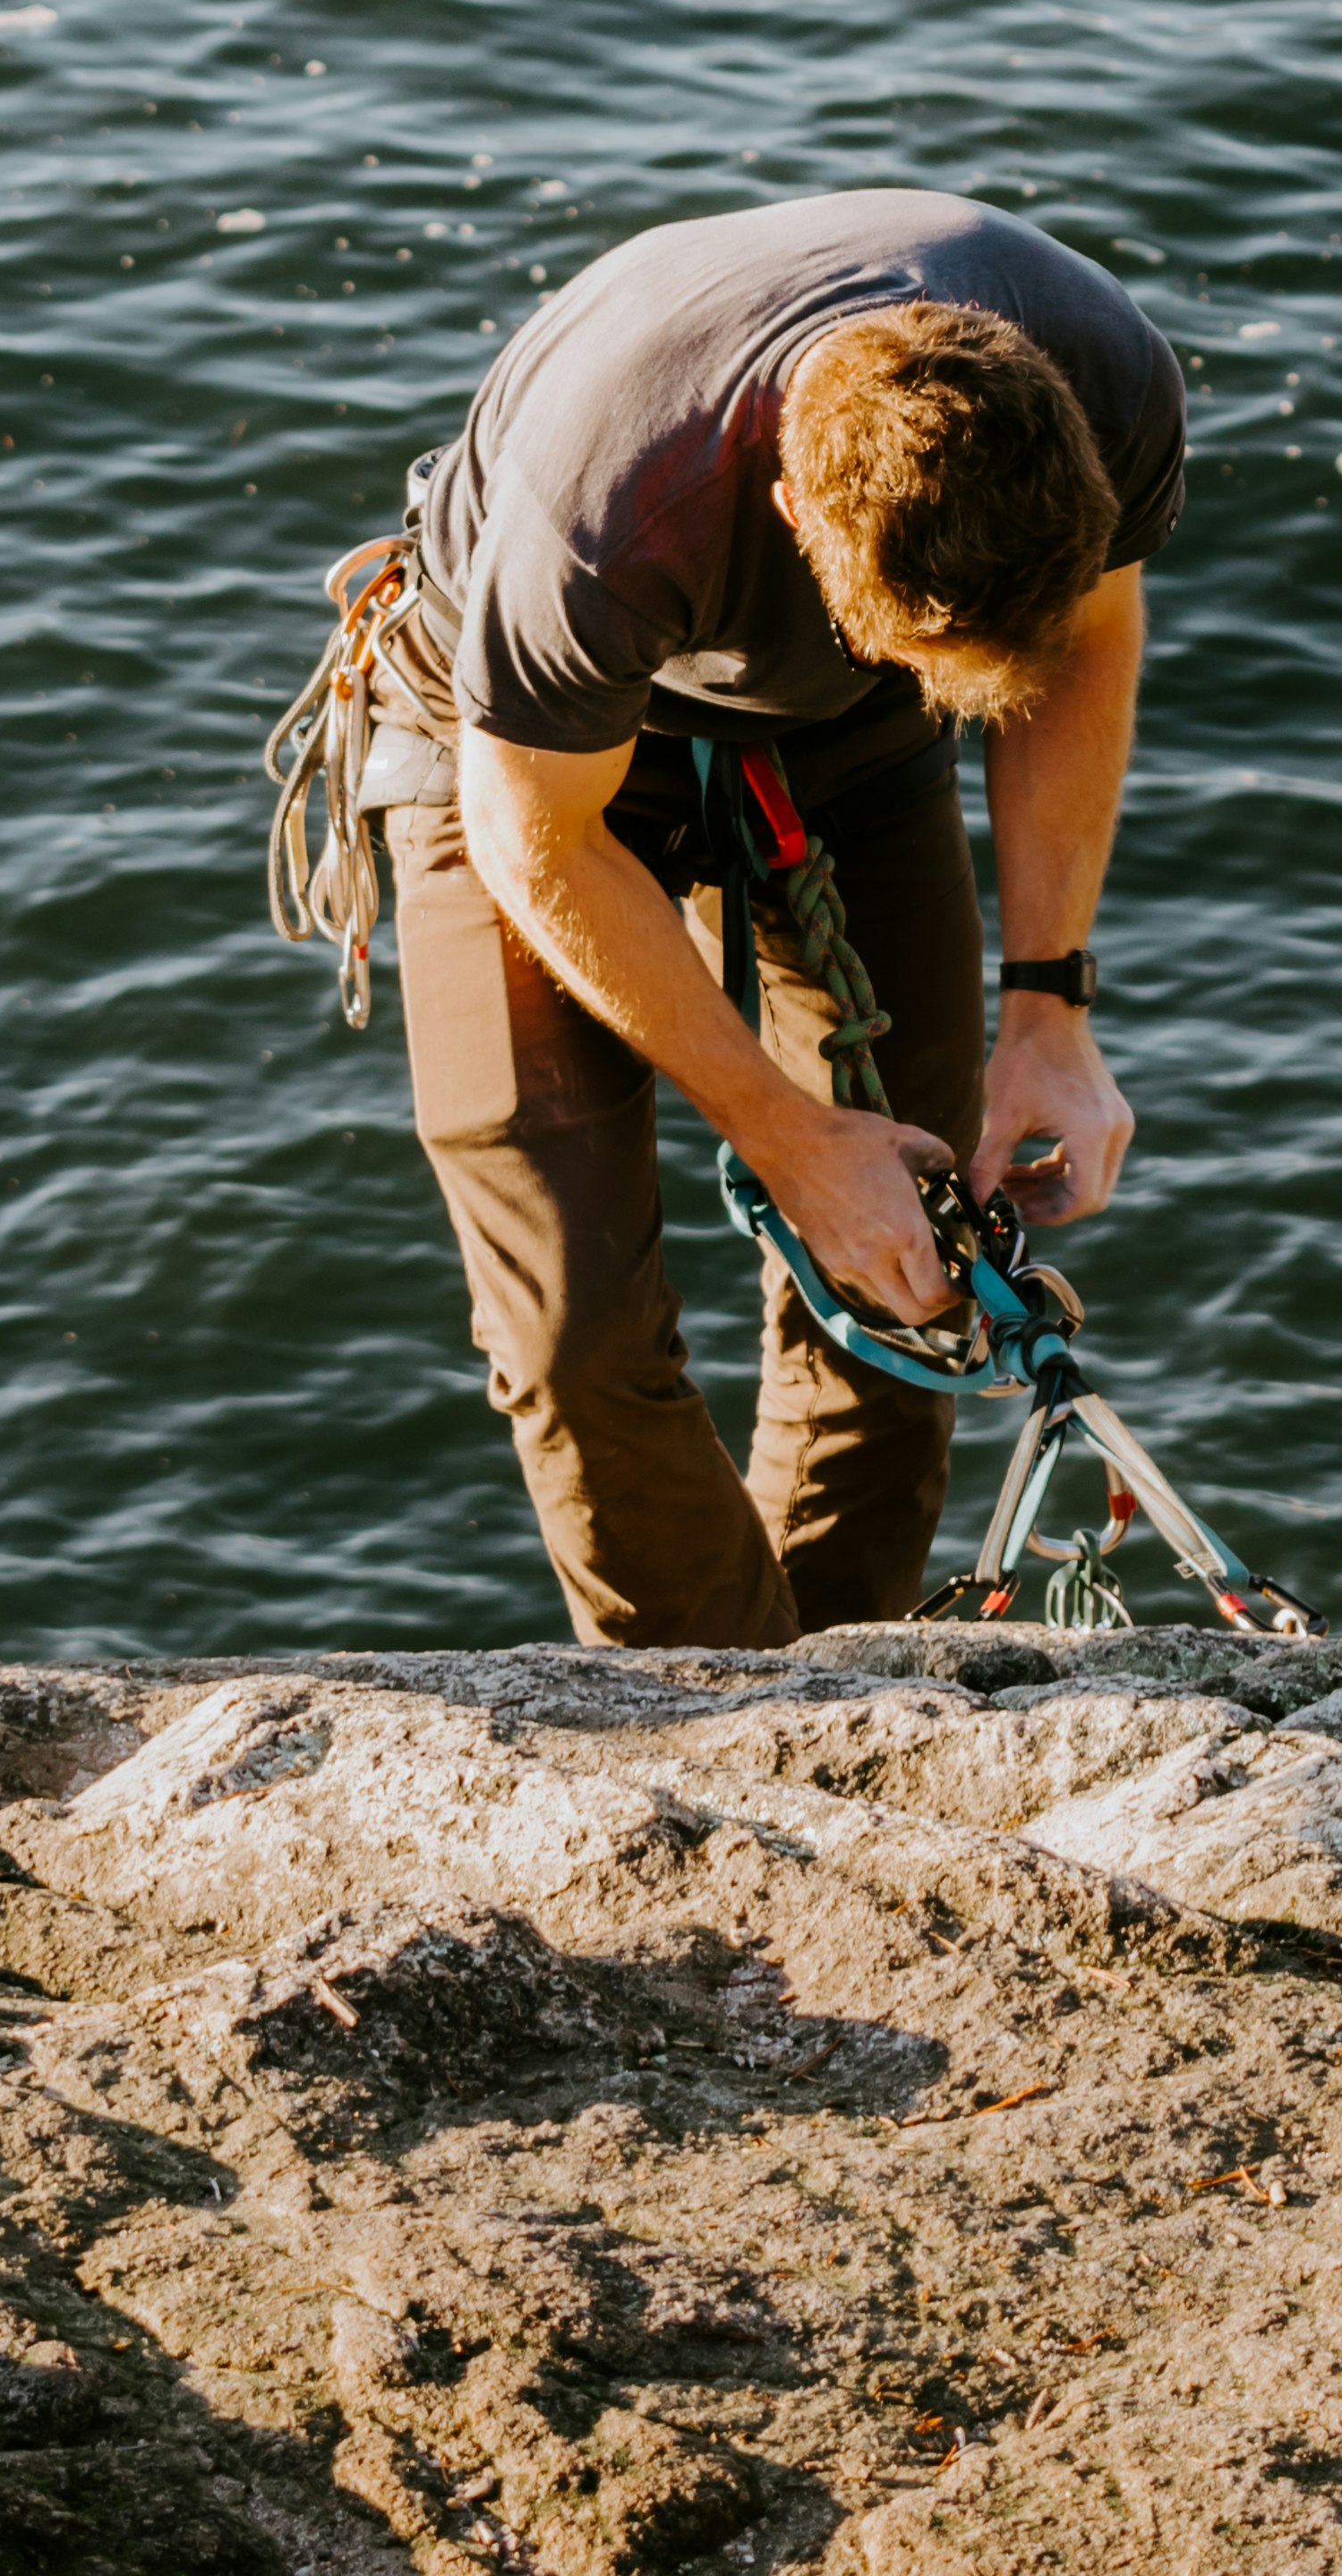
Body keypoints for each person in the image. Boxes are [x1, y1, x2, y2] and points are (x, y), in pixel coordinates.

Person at [364, 189, 1184, 1649]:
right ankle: (714, 1724)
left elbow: (1088, 641)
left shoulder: (1103, 377)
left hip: (844, 746)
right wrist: (787, 1136)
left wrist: (1051, 1006)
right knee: (573, 1330)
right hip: (514, 759)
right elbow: (533, 829)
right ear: (800, 515)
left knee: (918, 1266)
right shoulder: (610, 502)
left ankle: (845, 1690)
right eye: (940, 654)